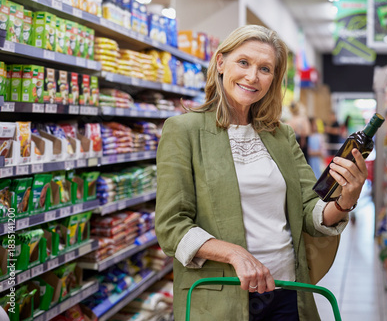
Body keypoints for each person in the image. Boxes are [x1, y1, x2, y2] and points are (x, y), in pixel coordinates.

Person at [155, 25, 368, 320]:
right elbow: (171, 226)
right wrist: (234, 253)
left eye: (265, 68)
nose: (252, 76)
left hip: (287, 291)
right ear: (220, 63)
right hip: (221, 297)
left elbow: (309, 210)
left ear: (274, 79)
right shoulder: (184, 131)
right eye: (243, 62)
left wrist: (346, 199)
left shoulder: (281, 136)